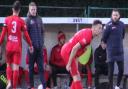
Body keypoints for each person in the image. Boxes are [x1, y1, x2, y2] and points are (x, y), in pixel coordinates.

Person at [0, 1, 33, 89]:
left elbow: (3, 34)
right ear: (19, 10)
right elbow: (26, 35)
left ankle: (9, 82)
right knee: (16, 69)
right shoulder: (21, 21)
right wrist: (30, 45)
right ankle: (14, 87)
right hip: (17, 47)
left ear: (12, 9)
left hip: (9, 47)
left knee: (8, 65)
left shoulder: (7, 19)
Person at [61, 20, 103, 89]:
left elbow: (77, 52)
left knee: (77, 77)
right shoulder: (88, 37)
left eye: (101, 28)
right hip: (67, 52)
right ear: (94, 27)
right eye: (99, 28)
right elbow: (74, 48)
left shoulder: (89, 33)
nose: (100, 30)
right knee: (76, 78)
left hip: (68, 51)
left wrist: (75, 64)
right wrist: (69, 63)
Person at [102, 9, 125, 89]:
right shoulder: (108, 25)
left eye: (116, 15)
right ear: (111, 16)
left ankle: (117, 86)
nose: (115, 16)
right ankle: (110, 87)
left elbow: (122, 36)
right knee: (110, 72)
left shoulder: (122, 24)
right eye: (114, 15)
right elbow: (104, 38)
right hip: (111, 52)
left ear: (119, 16)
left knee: (121, 70)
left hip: (120, 52)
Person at [25, 2, 45, 89]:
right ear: (29, 10)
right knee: (31, 68)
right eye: (32, 9)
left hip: (39, 48)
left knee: (41, 68)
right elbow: (25, 35)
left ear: (36, 9)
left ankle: (44, 86)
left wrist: (42, 43)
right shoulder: (27, 20)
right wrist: (30, 45)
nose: (33, 11)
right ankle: (31, 86)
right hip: (31, 49)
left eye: (35, 9)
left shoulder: (40, 19)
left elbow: (43, 32)